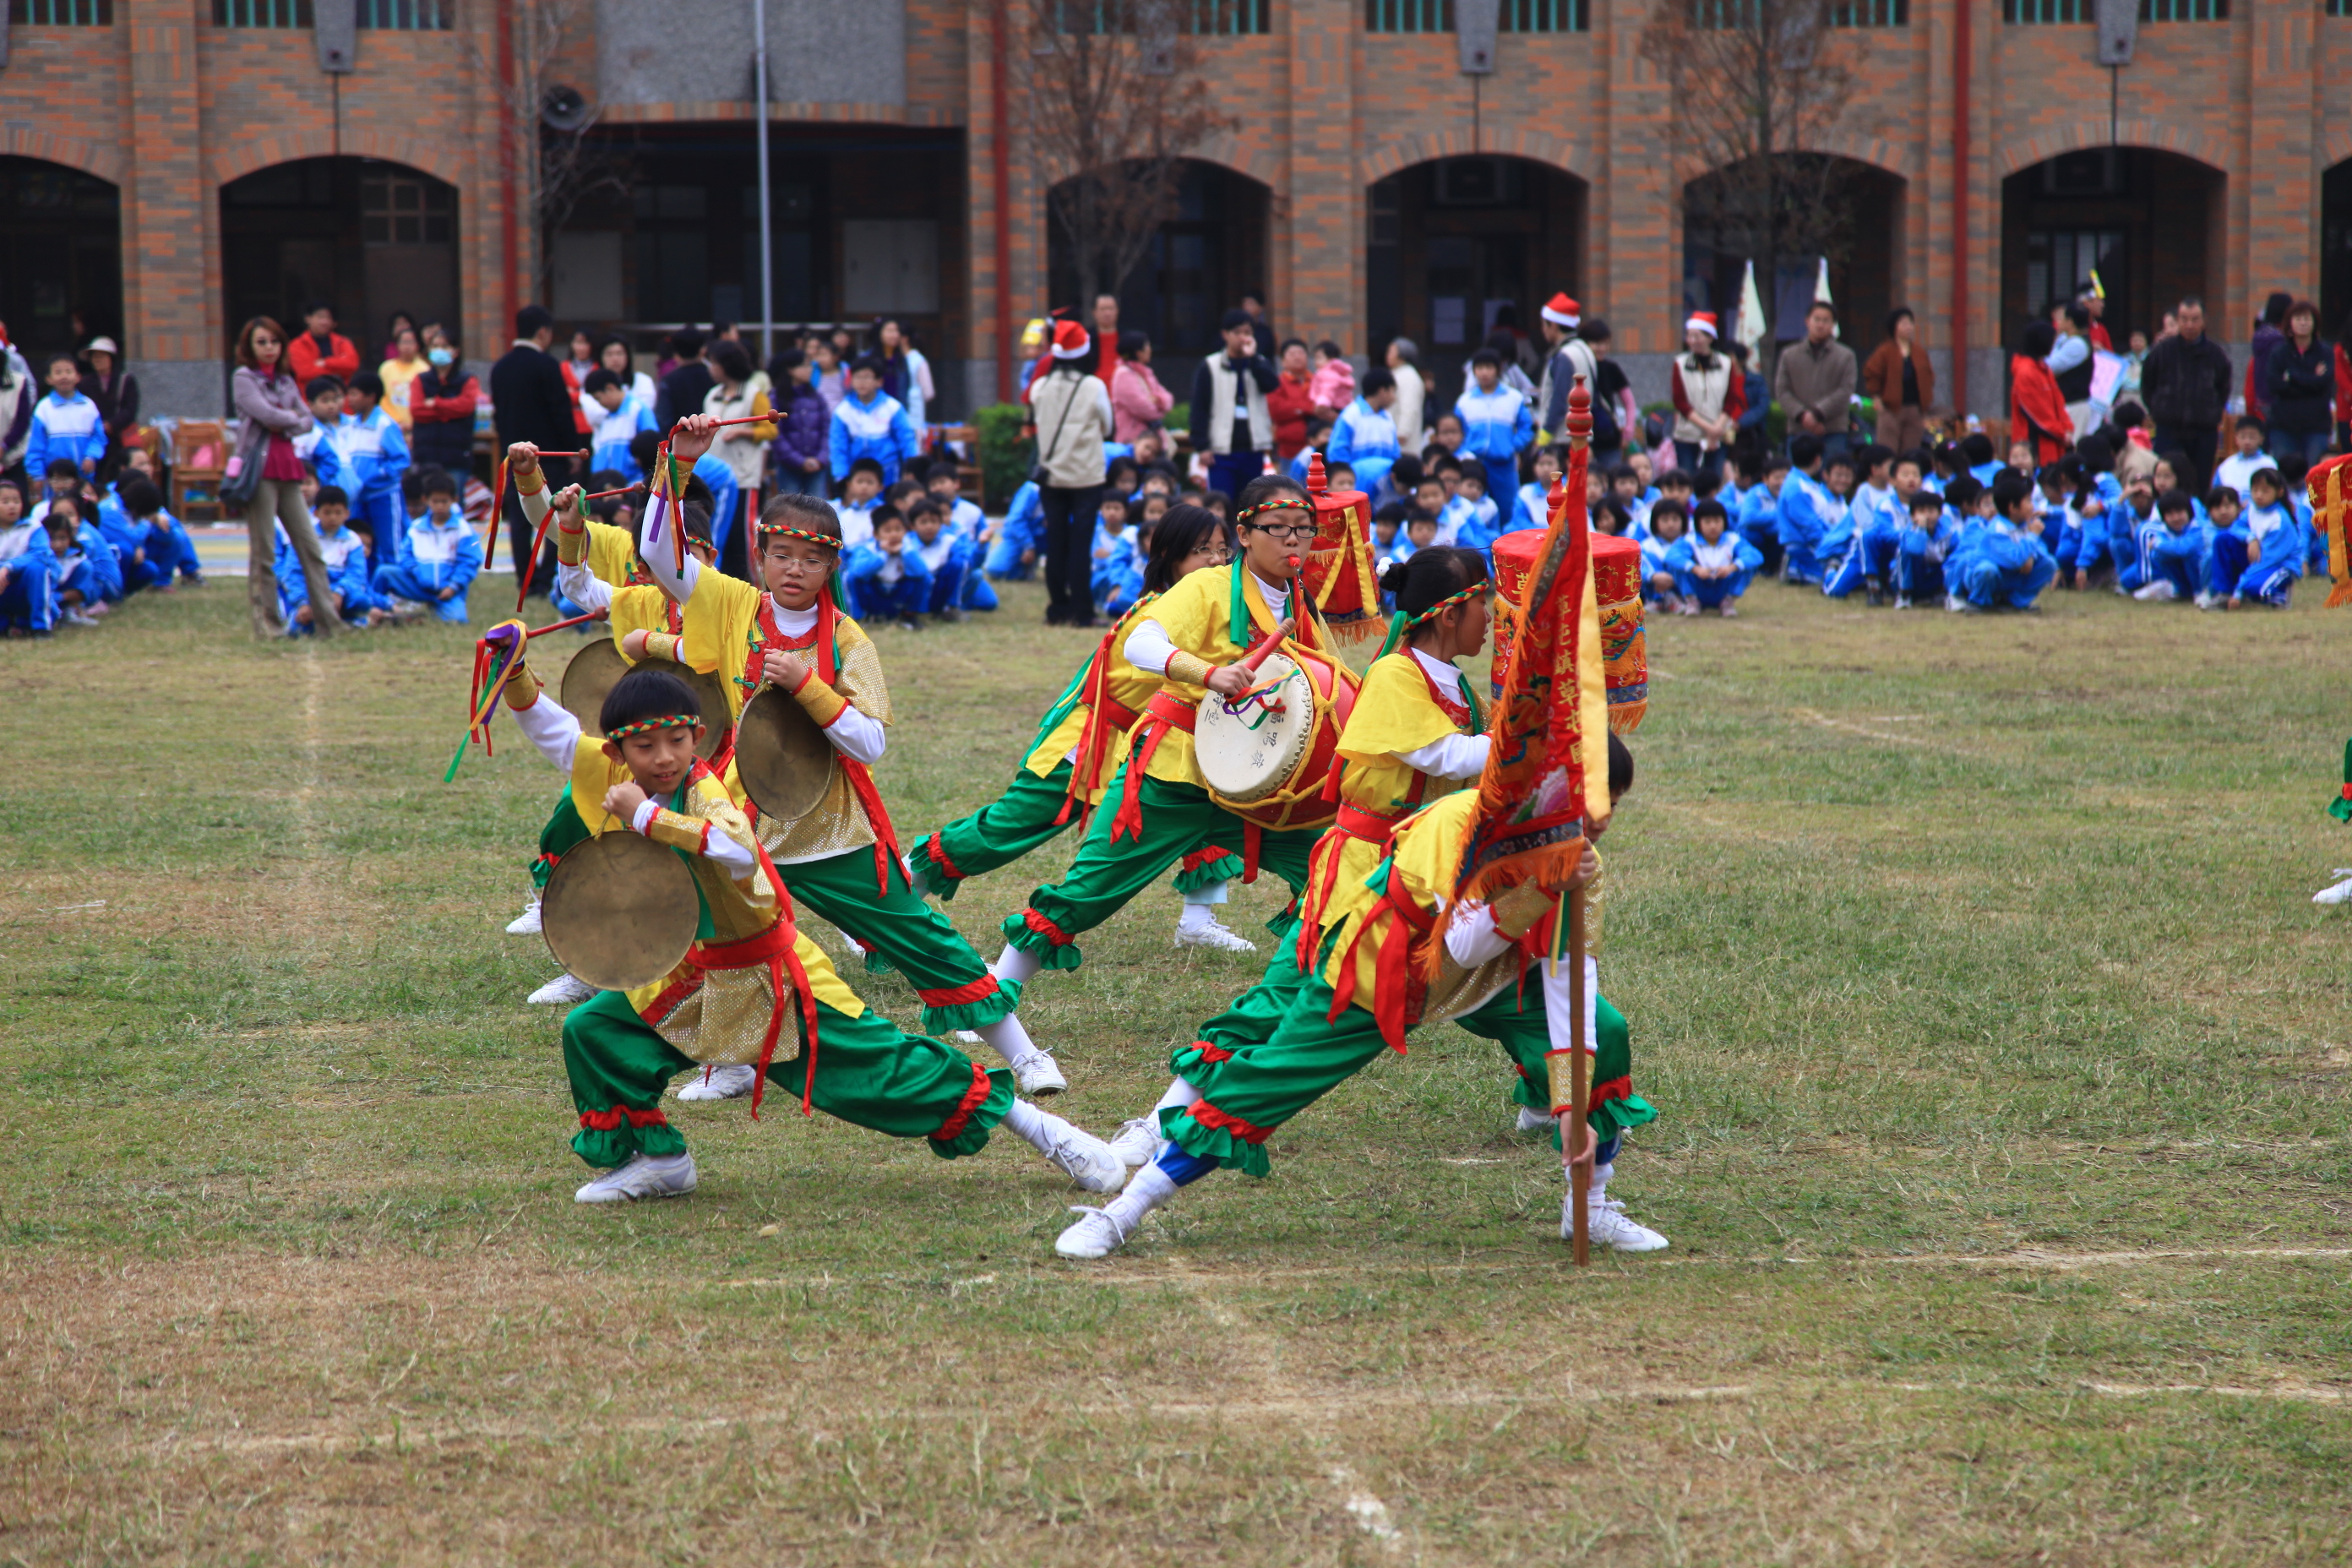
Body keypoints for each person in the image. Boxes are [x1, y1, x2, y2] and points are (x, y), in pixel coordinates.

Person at [478, 656, 1124, 1205]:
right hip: (691, 974)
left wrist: (650, 819)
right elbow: (557, 736)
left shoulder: (705, 796)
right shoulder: (617, 774)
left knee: (884, 1074)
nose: (664, 757)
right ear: (617, 751)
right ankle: (660, 1163)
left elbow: (736, 853)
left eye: (676, 740)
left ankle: (1049, 1133)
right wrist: (515, 678)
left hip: (770, 982)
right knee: (597, 1032)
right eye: (645, 747)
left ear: (698, 736)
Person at [1056, 733, 1660, 1260]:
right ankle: (1123, 1212)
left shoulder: (1579, 862)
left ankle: (1590, 1207)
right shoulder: (1462, 823)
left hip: (1497, 975)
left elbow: (1570, 979)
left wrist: (1571, 1107)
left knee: (1604, 1032)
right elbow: (1461, 943)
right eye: (1596, 799)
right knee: (1268, 1080)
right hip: (1384, 966)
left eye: (1615, 802)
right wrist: (1542, 889)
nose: (1605, 819)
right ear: (1550, 788)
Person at [642, 429, 1070, 1097]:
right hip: (739, 819)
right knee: (722, 938)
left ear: (832, 565)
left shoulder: (847, 638)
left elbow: (870, 744)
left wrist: (808, 687)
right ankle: (733, 1062)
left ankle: (1025, 1055)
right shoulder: (732, 606)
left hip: (830, 830)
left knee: (919, 936)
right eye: (781, 555)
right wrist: (678, 465)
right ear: (759, 556)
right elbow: (655, 553)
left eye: (811, 558)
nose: (794, 569)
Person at [995, 474, 1337, 990]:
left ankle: (1296, 1002)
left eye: (1303, 528)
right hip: (1171, 774)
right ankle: (992, 997)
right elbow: (1141, 643)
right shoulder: (1208, 585)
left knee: (1331, 871)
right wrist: (1209, 673)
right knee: (1085, 894)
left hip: (1250, 781)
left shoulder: (1300, 603)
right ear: (1245, 535)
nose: (1293, 539)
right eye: (1278, 527)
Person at [909, 505, 1252, 945]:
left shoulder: (1204, 606)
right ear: (1169, 554)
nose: (1215, 560)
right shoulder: (1161, 613)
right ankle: (892, 896)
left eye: (1222, 550)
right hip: (1092, 742)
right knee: (1009, 826)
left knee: (1204, 806)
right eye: (1202, 550)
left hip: (1152, 740)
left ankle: (1198, 920)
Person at [231, 316, 345, 639]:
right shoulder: (243, 377)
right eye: (261, 342)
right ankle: (268, 626)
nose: (269, 348)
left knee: (310, 547)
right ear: (249, 347)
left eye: (275, 342)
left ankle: (329, 623)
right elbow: (264, 414)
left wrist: (284, 420)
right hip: (260, 469)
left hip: (289, 466)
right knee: (265, 553)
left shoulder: (285, 380)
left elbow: (307, 420)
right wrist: (288, 417)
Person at [1025, 322, 1115, 627]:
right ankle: (1082, 611)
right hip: (1086, 475)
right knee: (1081, 543)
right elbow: (1107, 425)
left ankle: (1057, 608)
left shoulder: (1040, 386)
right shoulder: (1094, 386)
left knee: (1056, 541)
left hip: (1051, 476)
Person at [492, 306, 581, 601]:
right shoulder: (547, 365)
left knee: (519, 516)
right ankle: (544, 578)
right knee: (553, 512)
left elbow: (498, 414)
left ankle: (525, 578)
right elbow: (560, 412)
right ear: (543, 332)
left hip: (514, 456)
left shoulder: (500, 368)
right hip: (547, 455)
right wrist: (571, 450)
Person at [2141, 296, 2232, 493]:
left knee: (2199, 486)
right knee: (2166, 485)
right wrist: (2158, 409)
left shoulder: (2215, 354)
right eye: (2184, 319)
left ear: (2204, 321)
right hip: (2168, 430)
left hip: (2204, 431)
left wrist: (2213, 412)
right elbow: (2147, 384)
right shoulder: (2162, 352)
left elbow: (2223, 388)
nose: (2189, 325)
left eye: (2194, 319)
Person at [1188, 309, 1278, 500]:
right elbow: (1199, 408)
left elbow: (1271, 385)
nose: (1243, 338)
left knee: (1250, 502)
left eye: (1247, 332)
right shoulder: (1210, 365)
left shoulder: (1259, 362)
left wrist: (1253, 359)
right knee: (1222, 502)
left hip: (1253, 447)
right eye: (1237, 333)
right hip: (1221, 450)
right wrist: (1202, 445)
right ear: (1225, 335)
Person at [277, 483, 391, 631]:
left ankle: (351, 620)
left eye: (338, 513)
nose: (333, 518)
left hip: (343, 595)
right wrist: (302, 602)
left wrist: (339, 592)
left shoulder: (352, 540)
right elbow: (293, 573)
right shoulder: (304, 538)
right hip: (313, 593)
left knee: (360, 601)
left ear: (347, 514)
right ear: (316, 513)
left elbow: (356, 574)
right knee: (298, 631)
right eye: (327, 512)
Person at [371, 465, 478, 622]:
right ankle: (376, 609)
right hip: (418, 584)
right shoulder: (416, 527)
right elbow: (405, 555)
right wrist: (415, 571)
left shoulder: (463, 530)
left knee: (457, 621)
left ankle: (429, 611)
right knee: (384, 573)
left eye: (444, 501)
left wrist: (453, 586)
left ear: (454, 500)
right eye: (435, 501)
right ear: (425, 500)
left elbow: (469, 562)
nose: (440, 506)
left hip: (446, 589)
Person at [702, 337, 775, 568]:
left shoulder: (754, 394)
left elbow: (770, 429)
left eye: (714, 363)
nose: (711, 368)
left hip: (743, 477)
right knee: (716, 534)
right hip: (714, 479)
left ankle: (749, 580)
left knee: (742, 536)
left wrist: (742, 432)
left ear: (727, 365)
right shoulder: (712, 394)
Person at [1959, 469, 2056, 612]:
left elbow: (2041, 550)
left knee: (2049, 563)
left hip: (2009, 577)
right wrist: (2032, 536)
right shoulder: (1998, 529)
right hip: (1989, 576)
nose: (2033, 506)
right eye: (2028, 501)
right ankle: (1980, 603)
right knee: (1987, 570)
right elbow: (2014, 560)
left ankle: (2015, 602)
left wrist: (2031, 556)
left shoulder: (2026, 524)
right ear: (2013, 507)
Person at [1773, 302, 1858, 464]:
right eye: (1816, 319)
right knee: (1798, 475)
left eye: (1826, 320)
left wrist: (1818, 414)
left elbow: (1846, 390)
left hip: (1832, 430)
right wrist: (1803, 415)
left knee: (1832, 474)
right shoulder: (1789, 355)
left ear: (1833, 325)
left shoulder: (1846, 356)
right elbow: (1782, 391)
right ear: (1807, 321)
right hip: (1798, 430)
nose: (1820, 325)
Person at [1668, 313, 1743, 482]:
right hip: (1688, 434)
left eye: (1697, 336)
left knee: (1713, 480)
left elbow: (1731, 399)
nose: (1692, 341)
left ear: (1710, 338)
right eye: (1689, 336)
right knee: (1687, 479)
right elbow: (1680, 402)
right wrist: (1709, 428)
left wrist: (1717, 427)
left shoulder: (1726, 363)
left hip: (1719, 434)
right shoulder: (1680, 364)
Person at [829, 354, 921, 492]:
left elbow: (906, 439)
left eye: (866, 377)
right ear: (851, 381)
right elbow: (838, 446)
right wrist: (841, 476)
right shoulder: (842, 411)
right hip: (857, 476)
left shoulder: (892, 407)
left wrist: (912, 469)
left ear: (879, 381)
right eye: (857, 377)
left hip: (889, 473)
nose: (862, 382)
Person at [2264, 299, 2334, 472]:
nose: (2303, 323)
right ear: (2290, 323)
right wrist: (2311, 378)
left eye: (2307, 319)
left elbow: (2323, 385)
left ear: (2315, 323)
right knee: (2285, 474)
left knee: (2316, 474)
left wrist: (2292, 377)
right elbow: (2275, 385)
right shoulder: (2279, 353)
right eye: (2298, 319)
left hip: (2316, 426)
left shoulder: (2325, 352)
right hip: (2283, 426)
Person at [1674, 497, 1761, 615]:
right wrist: (1696, 569)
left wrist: (1731, 568)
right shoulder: (1690, 540)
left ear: (1724, 522)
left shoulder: (1733, 539)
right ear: (1698, 523)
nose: (1713, 526)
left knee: (1747, 566)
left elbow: (1755, 556)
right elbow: (1672, 556)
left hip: (1723, 585)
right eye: (1707, 522)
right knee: (1678, 566)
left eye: (1717, 521)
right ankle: (1692, 602)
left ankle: (1728, 602)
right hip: (1699, 585)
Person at [1454, 350, 1533, 482]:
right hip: (1473, 465)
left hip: (1505, 465)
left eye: (1489, 367)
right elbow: (1458, 430)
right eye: (1480, 368)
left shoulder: (1513, 397)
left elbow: (1527, 427)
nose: (1484, 372)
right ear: (1474, 371)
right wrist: (1464, 453)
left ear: (1498, 370)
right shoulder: (1464, 401)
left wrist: (1513, 446)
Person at [1863, 308, 1934, 455]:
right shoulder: (1885, 351)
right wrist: (1877, 398)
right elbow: (1871, 373)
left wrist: (1926, 401)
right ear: (1894, 327)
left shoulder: (1919, 352)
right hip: (1890, 409)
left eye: (1910, 323)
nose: (1908, 327)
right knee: (1887, 450)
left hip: (1915, 408)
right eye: (1903, 323)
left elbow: (1929, 376)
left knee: (1911, 452)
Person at [26, 352, 105, 484]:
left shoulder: (88, 405)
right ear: (49, 379)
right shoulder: (44, 408)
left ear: (78, 377)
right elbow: (36, 445)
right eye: (58, 372)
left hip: (84, 476)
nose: (64, 376)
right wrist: (37, 474)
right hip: (55, 479)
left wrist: (91, 456)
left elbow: (99, 437)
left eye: (69, 372)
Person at [406, 332, 478, 474]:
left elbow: (466, 407)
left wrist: (436, 403)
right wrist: (449, 411)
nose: (439, 350)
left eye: (445, 346)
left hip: (457, 456)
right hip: (426, 456)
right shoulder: (420, 380)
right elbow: (417, 410)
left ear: (455, 352)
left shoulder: (467, 380)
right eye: (435, 346)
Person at [1775, 433, 1840, 585]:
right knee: (1836, 577)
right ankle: (1793, 568)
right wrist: (1832, 547)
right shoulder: (1797, 487)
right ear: (1817, 460)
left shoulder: (1805, 483)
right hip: (1803, 548)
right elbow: (1810, 528)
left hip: (1815, 544)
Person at [1326, 367, 1402, 498]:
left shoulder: (1387, 418)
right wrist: (1348, 480)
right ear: (1382, 391)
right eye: (1392, 391)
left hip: (1383, 490)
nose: (1394, 398)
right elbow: (1337, 452)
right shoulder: (1351, 415)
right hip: (1356, 487)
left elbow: (1395, 454)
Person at [2008, 319, 2072, 470]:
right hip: (2036, 444)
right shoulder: (2026, 372)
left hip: (2052, 440)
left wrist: (2067, 428)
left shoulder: (2043, 368)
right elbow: (2037, 415)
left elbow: (2058, 403)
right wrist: (2062, 433)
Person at [767, 349, 830, 498]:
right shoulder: (776, 398)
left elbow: (827, 431)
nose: (810, 369)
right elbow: (776, 435)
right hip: (788, 467)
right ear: (791, 369)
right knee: (790, 508)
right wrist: (800, 461)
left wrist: (820, 458)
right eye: (805, 365)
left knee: (817, 508)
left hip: (817, 466)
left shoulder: (816, 397)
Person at [77, 336, 139, 478]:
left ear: (111, 358)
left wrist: (111, 425)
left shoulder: (126, 380)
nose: (98, 360)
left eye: (102, 356)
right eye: (94, 357)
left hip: (118, 438)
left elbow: (130, 409)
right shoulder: (84, 383)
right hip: (93, 438)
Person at [1110, 329, 1175, 447]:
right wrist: (1160, 409)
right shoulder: (1123, 375)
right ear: (1139, 352)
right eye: (1147, 346)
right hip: (1133, 443)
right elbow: (1144, 409)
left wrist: (1158, 400)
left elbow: (1169, 398)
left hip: (1153, 442)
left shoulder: (1146, 373)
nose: (1150, 350)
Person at [654, 327, 715, 430]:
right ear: (703, 350)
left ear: (676, 353)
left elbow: (663, 420)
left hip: (681, 436)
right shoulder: (714, 377)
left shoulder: (669, 381)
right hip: (712, 434)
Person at [287, 302, 361, 385]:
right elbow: (305, 372)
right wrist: (338, 372)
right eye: (320, 317)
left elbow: (352, 365)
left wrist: (326, 362)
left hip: (341, 391)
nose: (325, 322)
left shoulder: (342, 341)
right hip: (310, 392)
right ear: (308, 319)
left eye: (328, 318)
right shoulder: (297, 345)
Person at [1266, 340, 1315, 462]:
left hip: (1316, 447)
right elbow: (1277, 410)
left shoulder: (1317, 380)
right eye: (1292, 354)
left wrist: (1296, 409)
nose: (1297, 357)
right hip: (1288, 449)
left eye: (1301, 353)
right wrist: (1309, 408)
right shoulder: (1276, 383)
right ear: (1283, 361)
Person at [378, 324, 428, 433]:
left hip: (417, 426)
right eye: (404, 342)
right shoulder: (386, 368)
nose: (407, 346)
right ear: (397, 345)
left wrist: (414, 423)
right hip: (391, 425)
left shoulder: (425, 369)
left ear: (417, 345)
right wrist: (397, 421)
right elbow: (382, 398)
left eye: (411, 342)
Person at [1386, 339, 1427, 455]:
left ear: (1402, 355)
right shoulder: (1398, 374)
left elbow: (1410, 408)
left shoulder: (1408, 377)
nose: (1387, 355)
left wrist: (1403, 433)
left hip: (1403, 445)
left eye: (1391, 352)